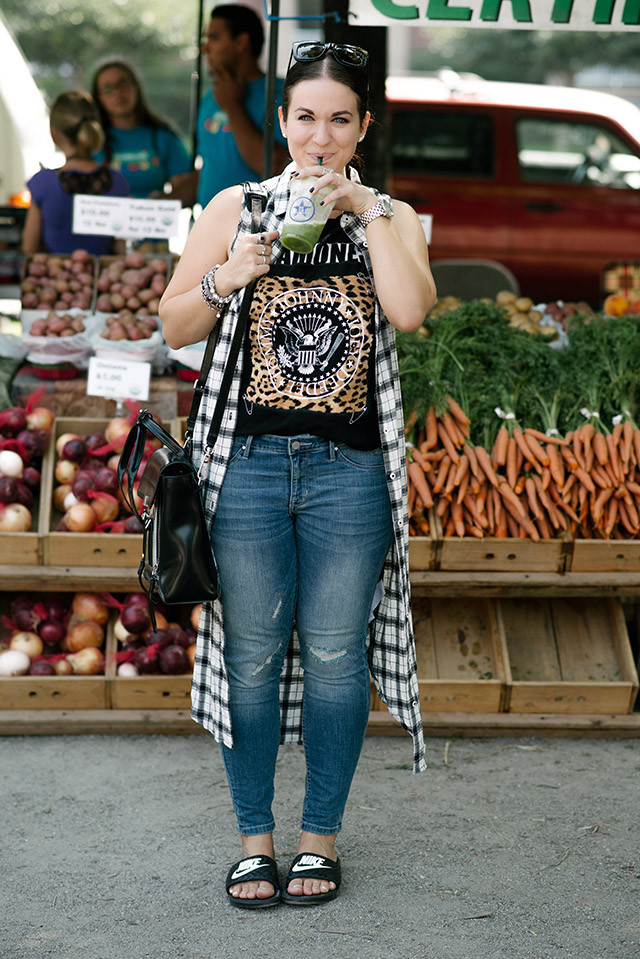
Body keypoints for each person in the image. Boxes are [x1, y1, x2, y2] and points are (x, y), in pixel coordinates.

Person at [159, 40, 436, 909]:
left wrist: (366, 209)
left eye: (339, 120)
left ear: (363, 128)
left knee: (333, 658)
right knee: (248, 656)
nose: (319, 137)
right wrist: (227, 273)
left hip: (348, 472)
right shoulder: (234, 205)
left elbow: (409, 310)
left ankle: (319, 838)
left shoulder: (395, 216)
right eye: (305, 118)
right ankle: (255, 840)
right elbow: (172, 324)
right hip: (246, 465)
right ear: (281, 122)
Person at [177, 4, 289, 209]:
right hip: (209, 229)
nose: (205, 47)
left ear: (241, 42)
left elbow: (277, 167)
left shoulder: (282, 94)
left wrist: (234, 107)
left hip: (257, 229)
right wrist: (165, 201)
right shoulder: (212, 97)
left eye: (214, 38)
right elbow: (210, 168)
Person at [22, 91, 130, 255]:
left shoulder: (42, 182)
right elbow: (121, 248)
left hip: (55, 276)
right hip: (103, 276)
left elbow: (29, 248)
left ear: (54, 134)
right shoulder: (117, 181)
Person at [91, 59, 192, 200]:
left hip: (151, 219)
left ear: (136, 87)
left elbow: (187, 191)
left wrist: (163, 200)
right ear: (98, 97)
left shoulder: (164, 136)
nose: (117, 93)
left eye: (123, 84)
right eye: (108, 88)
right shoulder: (91, 139)